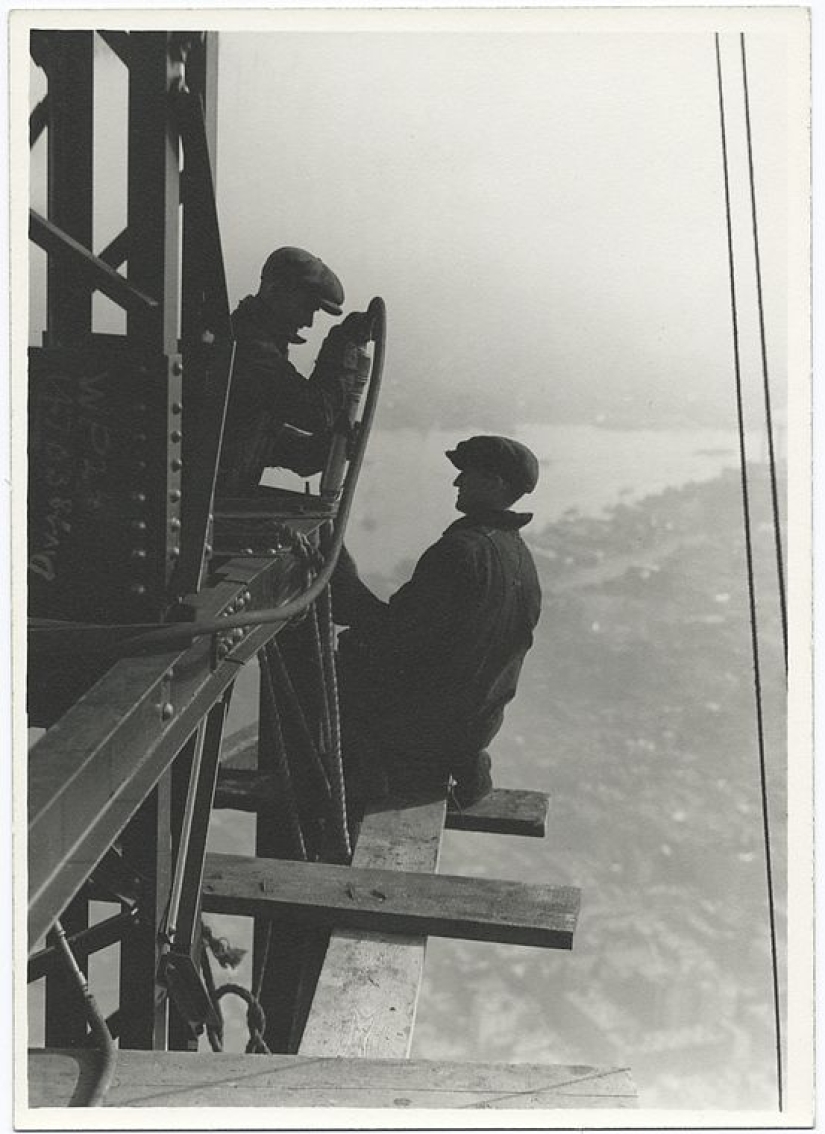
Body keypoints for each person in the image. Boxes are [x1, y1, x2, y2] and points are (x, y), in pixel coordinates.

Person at [333, 435, 542, 810]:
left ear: (494, 484)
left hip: (429, 729)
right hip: (475, 726)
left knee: (341, 658)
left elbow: (392, 637)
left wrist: (340, 574)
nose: (456, 483)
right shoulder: (519, 556)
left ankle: (354, 779)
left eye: (467, 474)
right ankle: (459, 759)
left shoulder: (462, 552)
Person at [217, 246, 369, 494]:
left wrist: (329, 447)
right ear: (275, 290)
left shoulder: (247, 341)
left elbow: (264, 443)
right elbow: (317, 413)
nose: (308, 322)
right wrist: (342, 345)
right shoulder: (248, 350)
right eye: (307, 306)